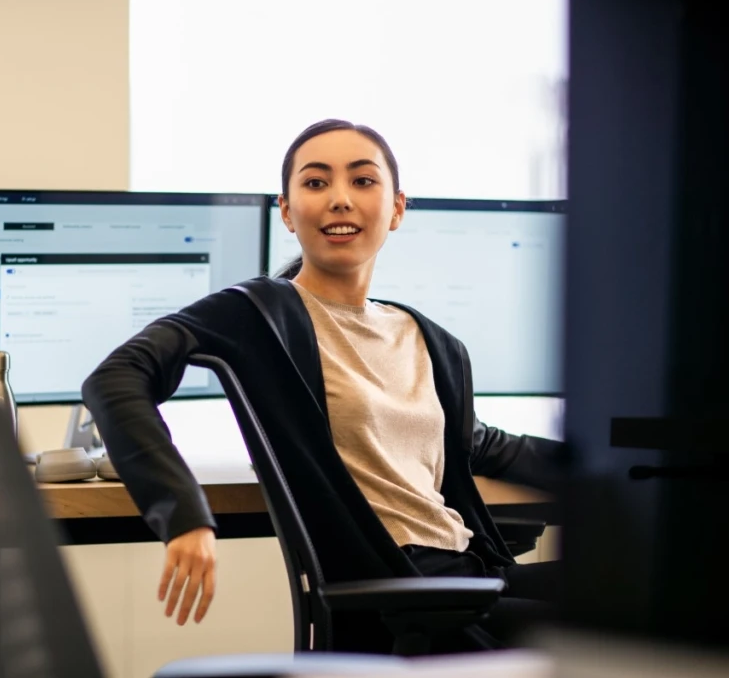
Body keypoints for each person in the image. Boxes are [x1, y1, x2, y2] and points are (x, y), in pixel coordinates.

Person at [81, 118, 565, 652]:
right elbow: (116, 377)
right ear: (286, 212)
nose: (340, 199)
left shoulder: (430, 339)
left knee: (658, 589)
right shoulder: (261, 316)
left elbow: (479, 444)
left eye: (362, 181)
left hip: (474, 574)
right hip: (409, 597)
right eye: (315, 183)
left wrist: (625, 476)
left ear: (398, 208)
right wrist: (182, 512)